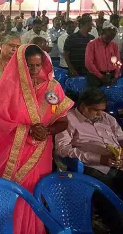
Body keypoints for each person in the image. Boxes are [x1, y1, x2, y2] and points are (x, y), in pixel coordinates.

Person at [0, 44, 74, 234]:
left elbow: (62, 119)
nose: (34, 70)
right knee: (13, 196)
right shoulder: (7, 89)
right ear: (19, 64)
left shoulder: (52, 89)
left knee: (35, 193)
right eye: (29, 65)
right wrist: (26, 130)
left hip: (40, 153)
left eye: (37, 65)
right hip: (12, 154)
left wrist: (47, 130)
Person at [55, 88, 123, 231]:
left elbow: (121, 138)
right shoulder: (67, 119)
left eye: (102, 109)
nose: (100, 114)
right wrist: (98, 158)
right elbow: (62, 149)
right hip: (92, 167)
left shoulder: (107, 118)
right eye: (95, 110)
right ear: (83, 105)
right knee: (107, 197)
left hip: (118, 163)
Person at [85, 21, 120, 87]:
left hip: (111, 75)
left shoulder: (114, 45)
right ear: (101, 33)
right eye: (107, 38)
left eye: (111, 38)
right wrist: (101, 77)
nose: (109, 40)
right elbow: (89, 63)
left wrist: (116, 75)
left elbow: (118, 61)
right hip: (95, 76)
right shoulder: (92, 44)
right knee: (95, 96)